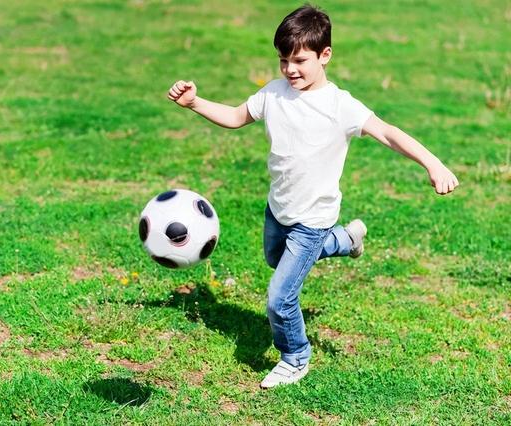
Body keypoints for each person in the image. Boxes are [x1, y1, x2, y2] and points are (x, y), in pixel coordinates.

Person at [167, 4, 459, 389]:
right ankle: (346, 239)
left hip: (312, 220)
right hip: (279, 209)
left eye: (300, 60)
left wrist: (432, 163)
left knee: (279, 298)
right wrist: (194, 104)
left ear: (325, 55)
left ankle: (296, 356)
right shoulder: (274, 93)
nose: (290, 69)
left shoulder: (340, 106)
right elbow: (237, 117)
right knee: (275, 259)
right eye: (283, 60)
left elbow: (387, 132)